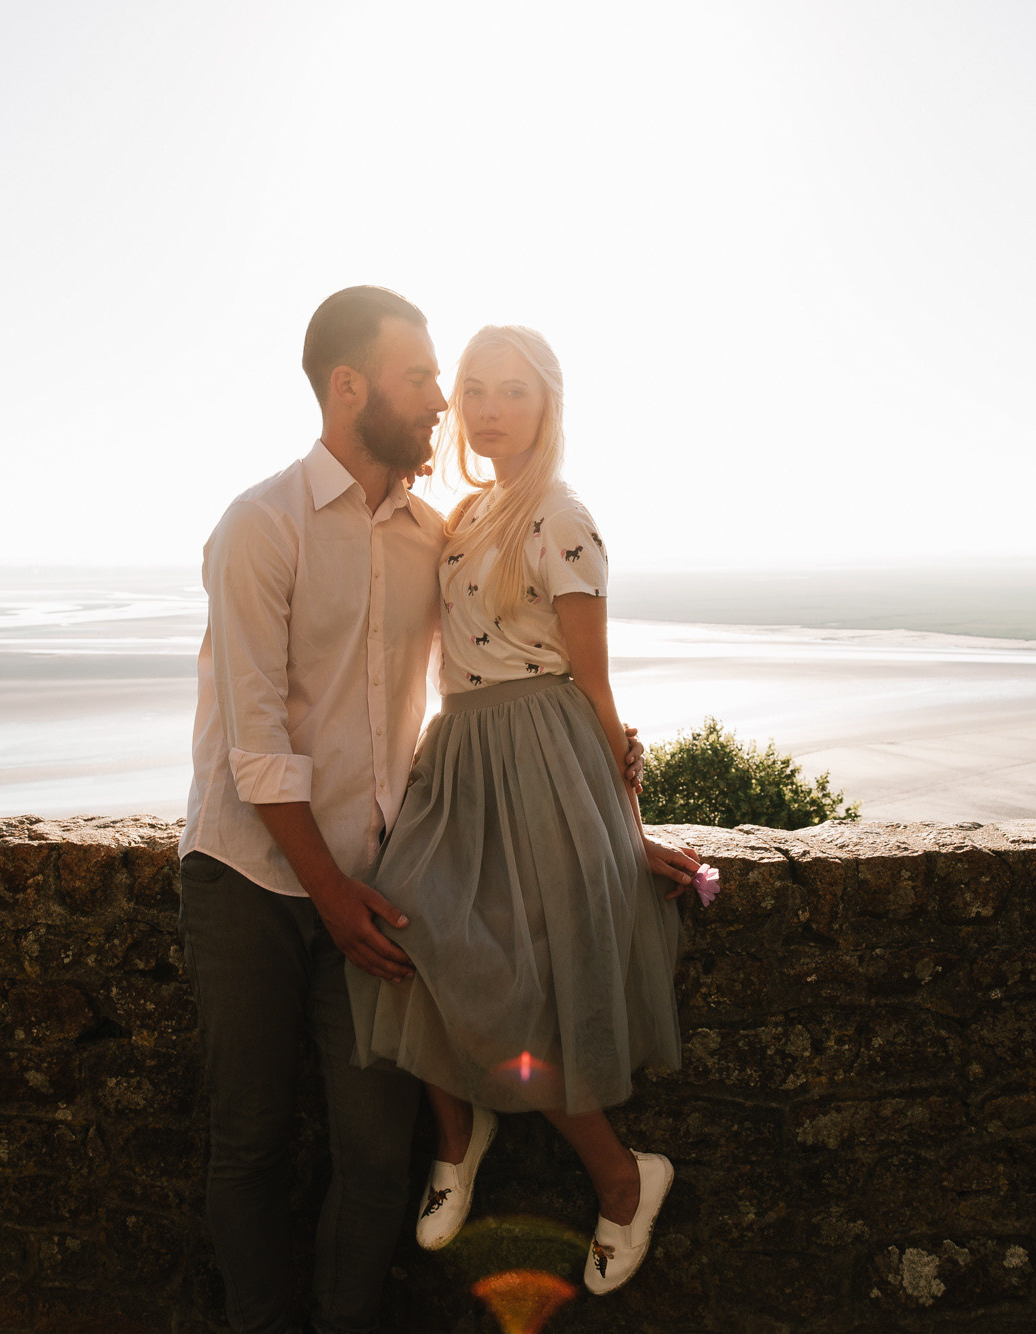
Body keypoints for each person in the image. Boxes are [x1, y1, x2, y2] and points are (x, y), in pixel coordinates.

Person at [345, 324, 701, 1296]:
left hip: (541, 762)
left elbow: (593, 686)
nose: (490, 406)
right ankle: (459, 1135)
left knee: (529, 991)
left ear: (545, 404)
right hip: (458, 761)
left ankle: (624, 1180)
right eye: (475, 389)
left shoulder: (559, 515)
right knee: (402, 923)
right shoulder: (466, 513)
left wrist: (628, 833)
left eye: (512, 389)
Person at [177, 285, 446, 1334]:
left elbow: (495, 672)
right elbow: (256, 745)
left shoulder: (435, 538)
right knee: (250, 1139)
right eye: (417, 377)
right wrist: (326, 891)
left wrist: (606, 763)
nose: (437, 401)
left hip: (367, 884)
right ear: (348, 387)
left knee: (379, 1151)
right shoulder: (259, 526)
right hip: (247, 877)